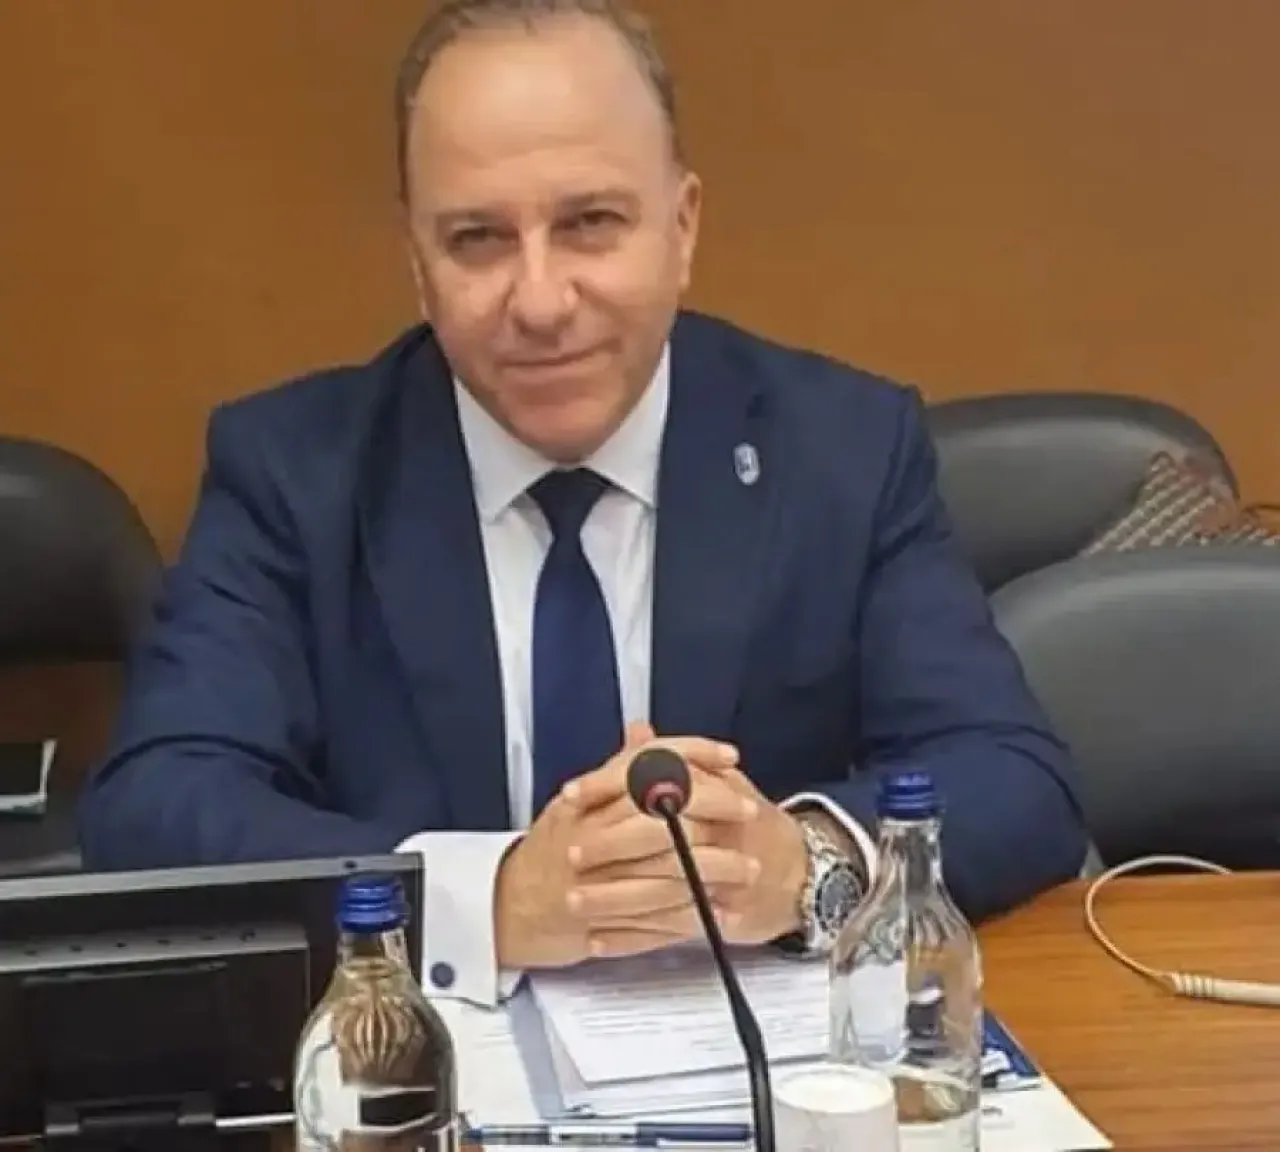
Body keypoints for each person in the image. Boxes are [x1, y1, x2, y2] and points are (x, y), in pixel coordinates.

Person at [78, 0, 1088, 1007]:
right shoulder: (294, 474)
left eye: (589, 224)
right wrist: (482, 897)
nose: (540, 301)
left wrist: (805, 862)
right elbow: (156, 805)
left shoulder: (843, 449)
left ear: (682, 228)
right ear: (418, 264)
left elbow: (1012, 776)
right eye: (477, 238)